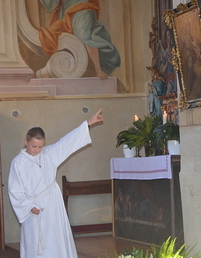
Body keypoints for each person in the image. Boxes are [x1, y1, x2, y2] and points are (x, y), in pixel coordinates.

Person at [8, 108, 103, 258]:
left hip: (53, 204)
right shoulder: (18, 163)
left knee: (56, 241)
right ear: (26, 142)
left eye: (40, 146)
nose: (37, 150)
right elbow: (15, 190)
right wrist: (28, 206)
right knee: (36, 243)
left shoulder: (49, 154)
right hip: (33, 207)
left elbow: (67, 142)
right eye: (34, 146)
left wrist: (89, 123)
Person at [39, 0, 121, 80]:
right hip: (67, 9)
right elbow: (50, 5)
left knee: (85, 37)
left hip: (82, 7)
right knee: (59, 36)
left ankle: (98, 69)